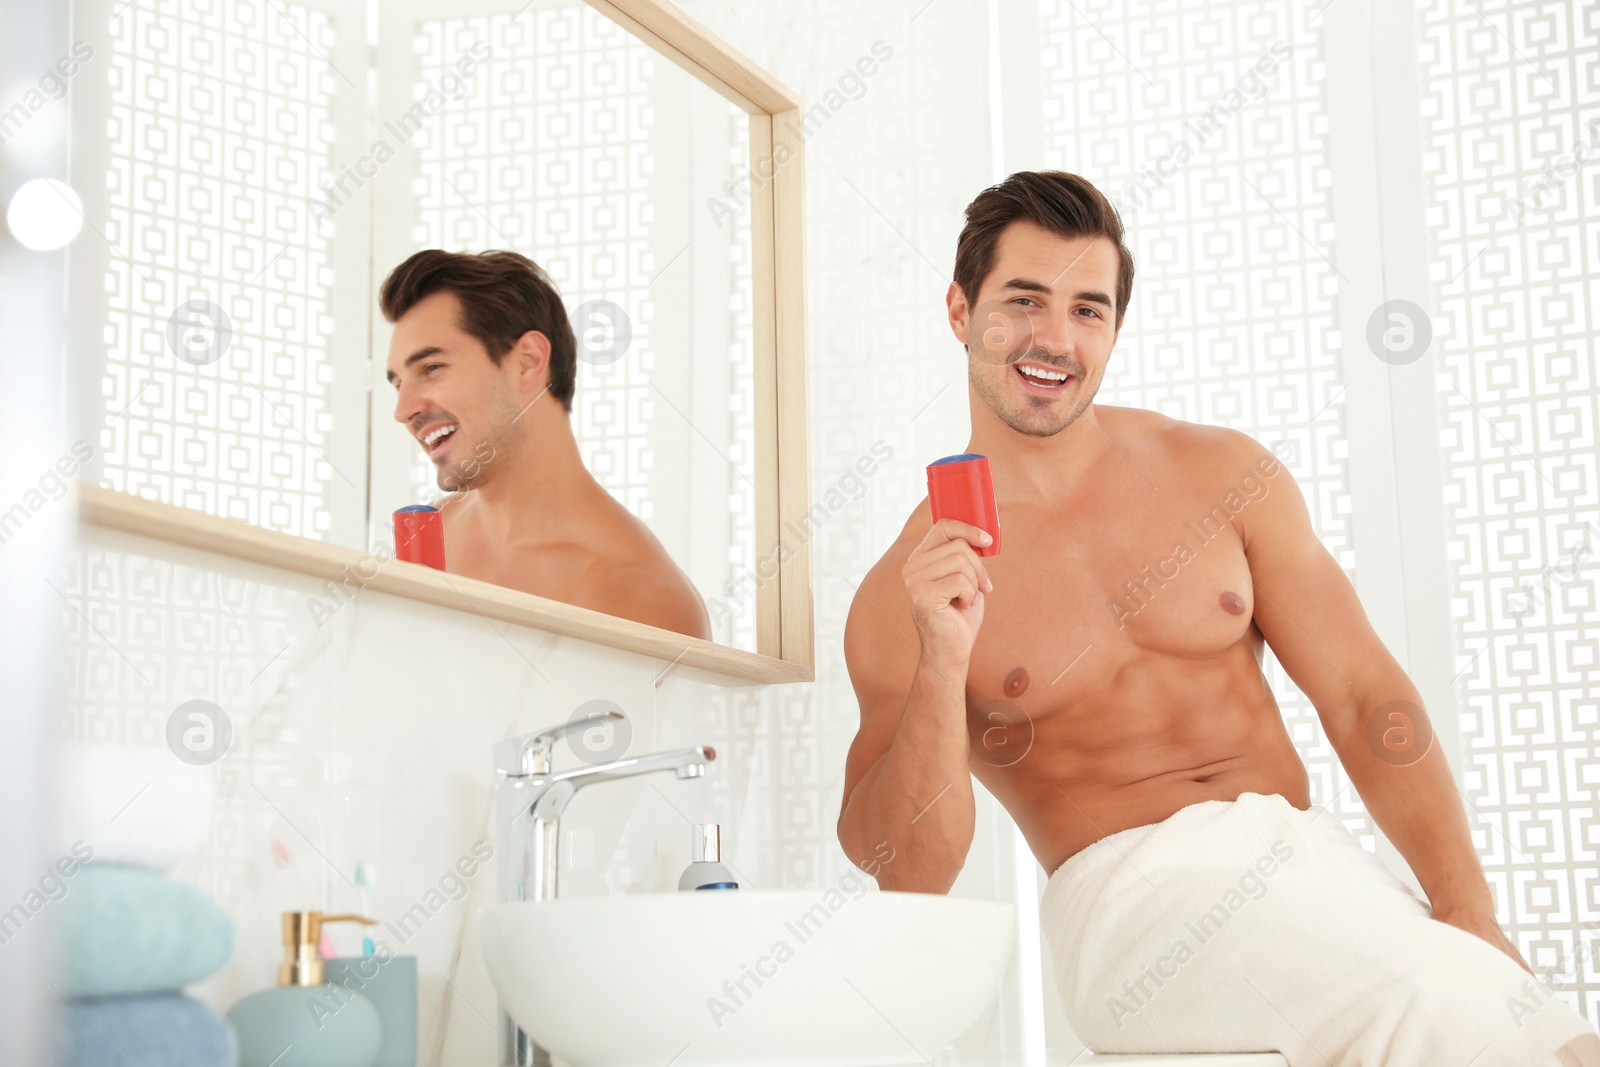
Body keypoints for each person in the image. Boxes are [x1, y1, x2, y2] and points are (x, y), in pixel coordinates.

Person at [837, 170, 1600, 1065]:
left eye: (1089, 309)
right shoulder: (910, 584)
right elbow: (907, 867)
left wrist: (1467, 906)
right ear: (962, 312)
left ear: (1115, 327)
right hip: (1130, 901)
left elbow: (1363, 696)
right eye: (1024, 300)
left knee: (1534, 1023)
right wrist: (940, 659)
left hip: (1311, 862)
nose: (1055, 337)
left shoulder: (1222, 474)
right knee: (1442, 1005)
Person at [381, 249, 711, 640]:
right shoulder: (428, 538)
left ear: (527, 361)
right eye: (399, 382)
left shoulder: (638, 599)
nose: (403, 410)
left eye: (431, 368)